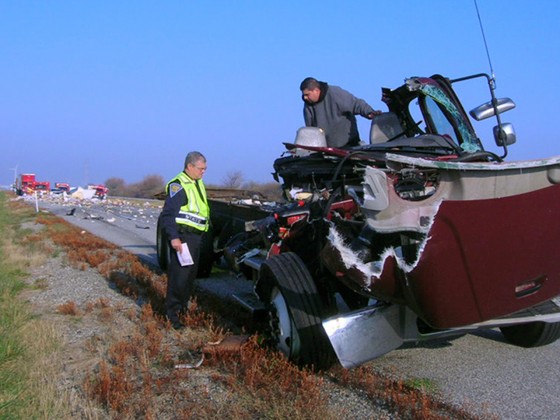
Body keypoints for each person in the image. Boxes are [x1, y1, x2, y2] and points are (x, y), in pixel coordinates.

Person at [160, 151, 209, 330]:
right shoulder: (178, 186)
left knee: (188, 277)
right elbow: (168, 215)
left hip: (195, 237)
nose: (203, 172)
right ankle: (172, 316)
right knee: (179, 278)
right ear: (189, 166)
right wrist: (174, 238)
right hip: (183, 238)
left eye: (205, 169)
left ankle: (182, 312)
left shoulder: (197, 183)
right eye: (201, 169)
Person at [300, 77, 382, 148]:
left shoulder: (335, 93)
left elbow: (356, 104)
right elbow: (310, 130)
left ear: (316, 91)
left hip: (348, 146)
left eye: (307, 94)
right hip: (325, 150)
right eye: (303, 95)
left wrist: (369, 112)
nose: (305, 97)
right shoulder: (308, 104)